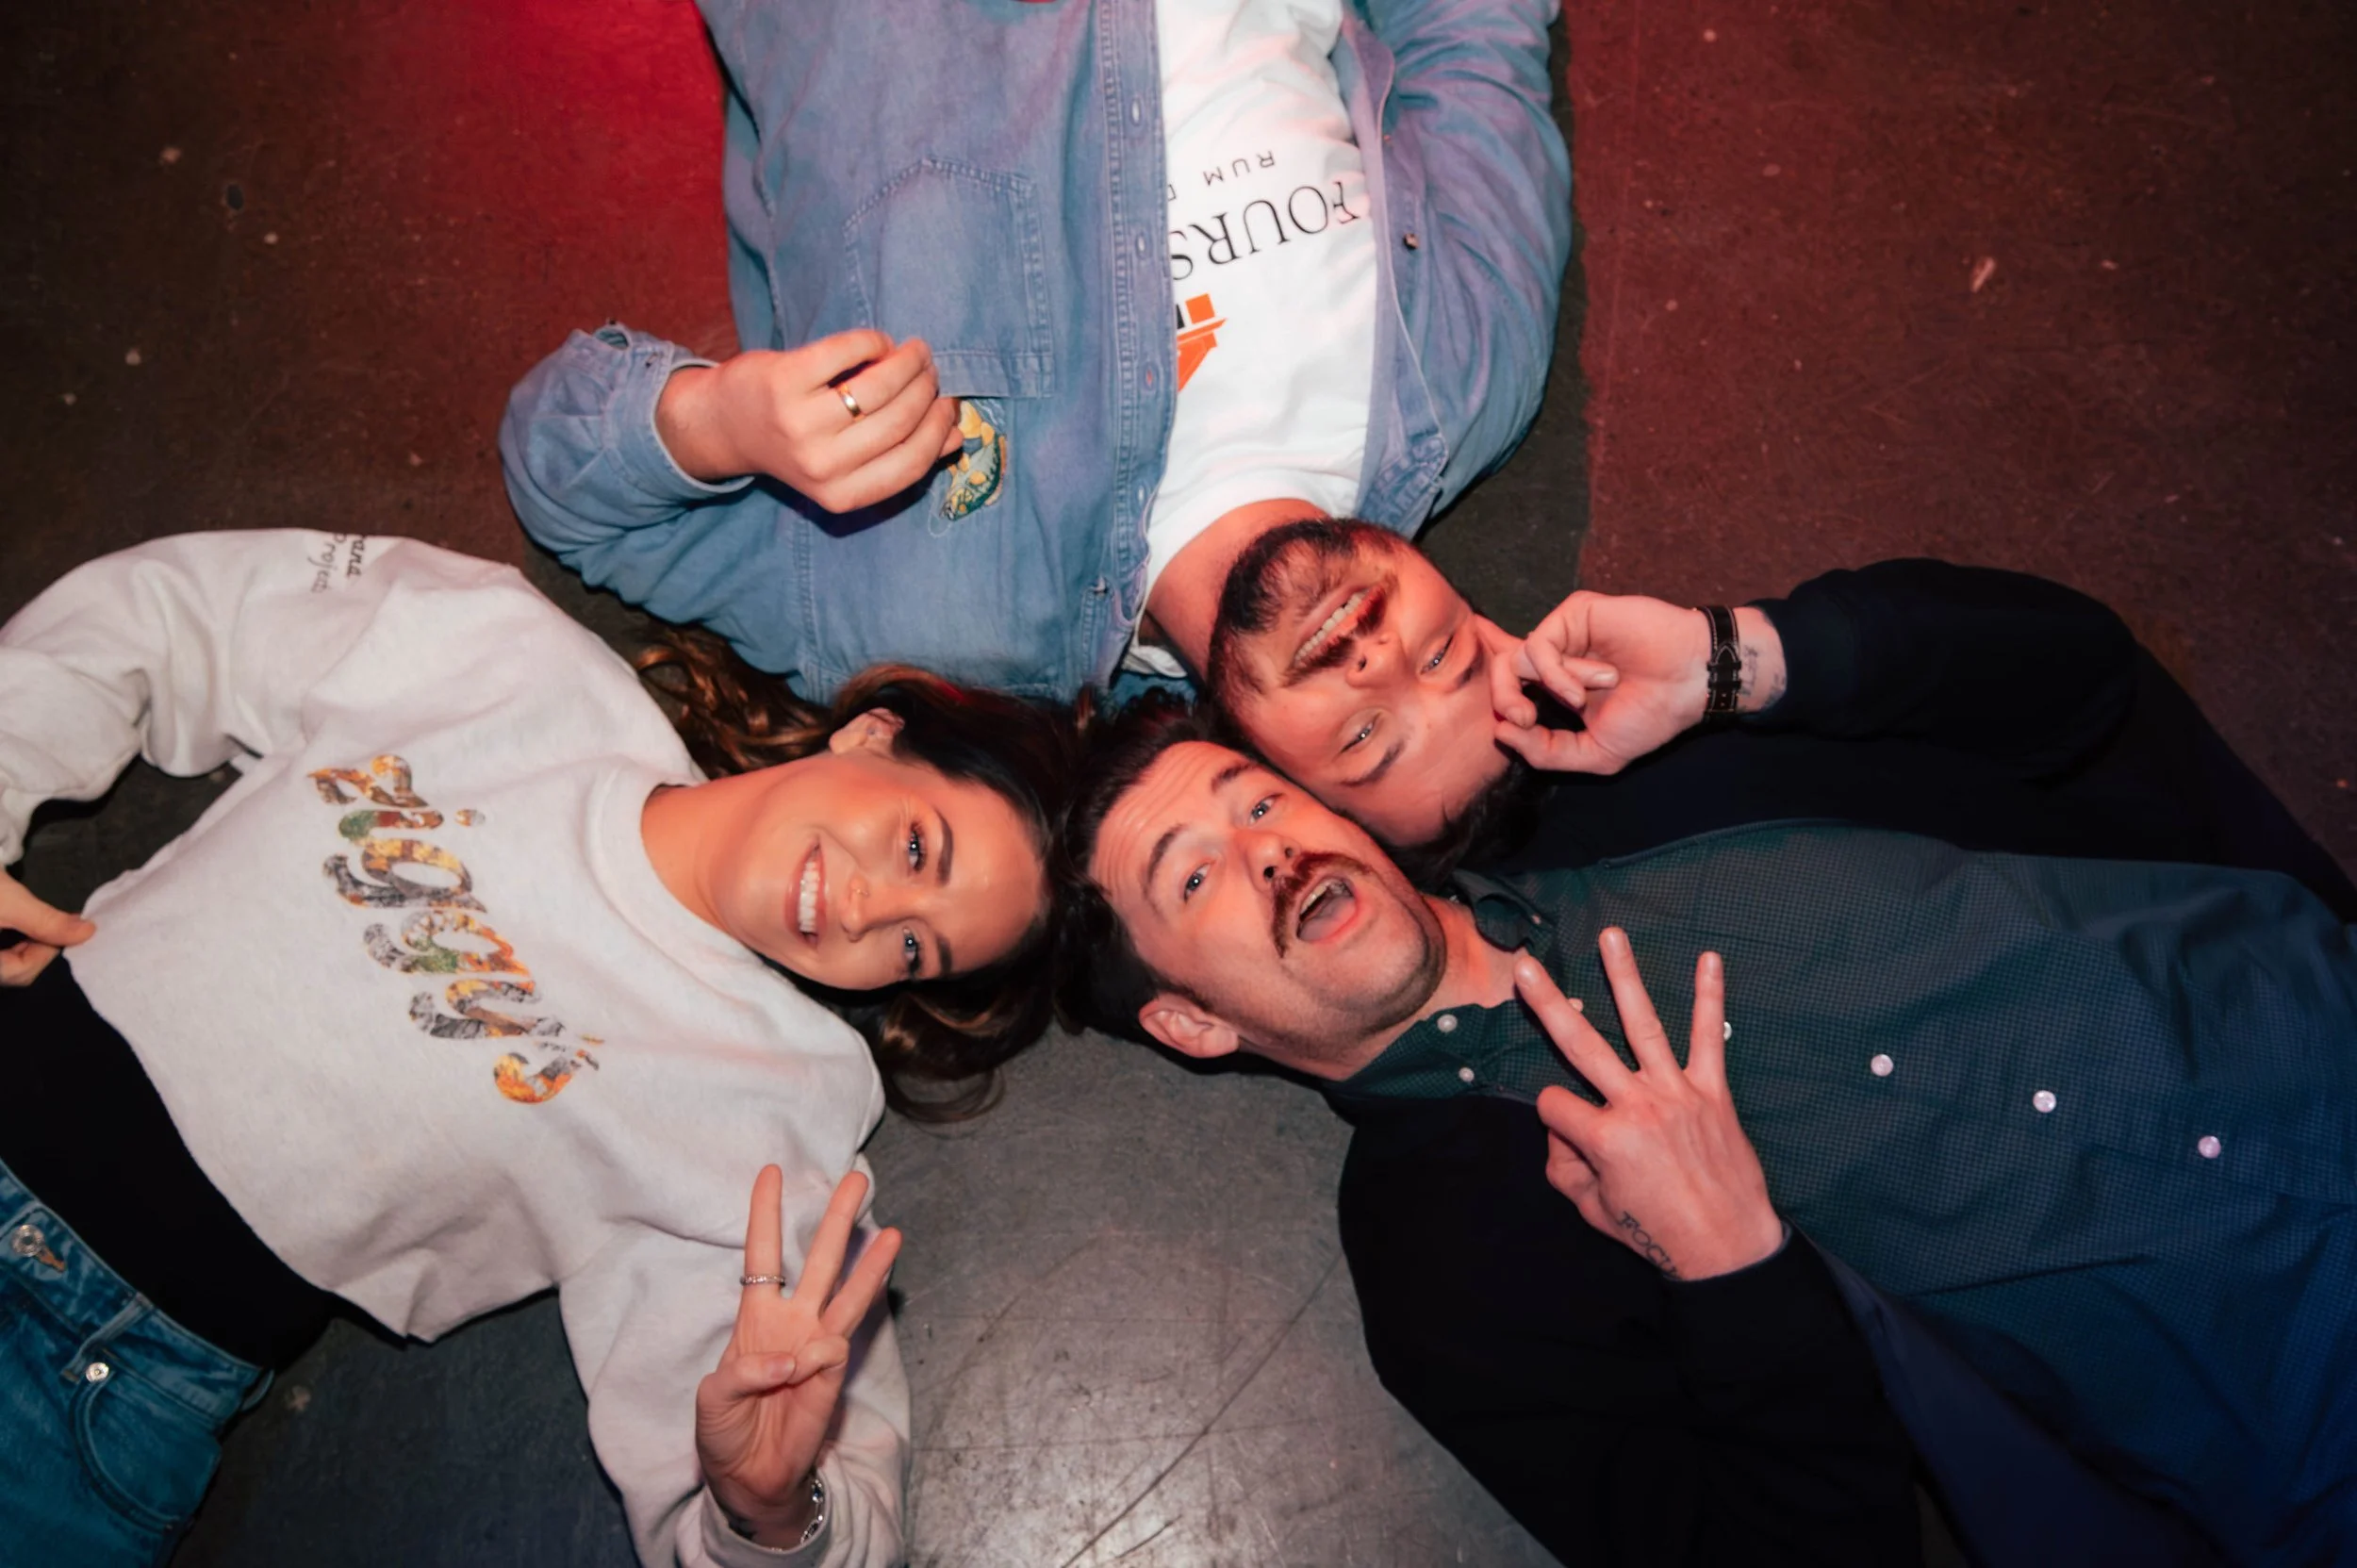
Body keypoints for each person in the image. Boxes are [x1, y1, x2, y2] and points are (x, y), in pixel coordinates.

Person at [1050, 564, 2357, 1566]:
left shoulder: (1626, 769)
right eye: (1198, 874)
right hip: (2305, 1431)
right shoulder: (1444, 1269)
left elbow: (2079, 676)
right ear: (1192, 1022)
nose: (1266, 849)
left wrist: (1744, 657)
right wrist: (1737, 1269)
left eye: (1260, 799)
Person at [0, 529, 1076, 1567]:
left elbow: (833, 1505)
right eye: (916, 846)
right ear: (872, 735)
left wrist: (768, 1509)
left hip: (90, 1378)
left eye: (912, 947)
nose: (864, 907)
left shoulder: (769, 1106)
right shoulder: (509, 656)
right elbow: (177, 612)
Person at [497, 0, 1573, 750]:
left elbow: (567, 484)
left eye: (1364, 739)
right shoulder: (1466, 371)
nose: (1378, 668)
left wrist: (719, 422)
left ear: (1270, 778)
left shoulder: (928, 621)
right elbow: (1471, 45)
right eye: (1446, 664)